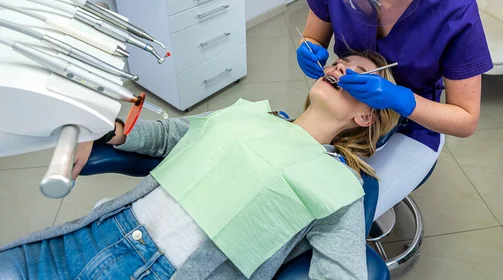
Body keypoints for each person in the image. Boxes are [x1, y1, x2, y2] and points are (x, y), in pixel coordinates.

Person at [0, 53, 399, 280]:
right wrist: (116, 131)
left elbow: (342, 276)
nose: (339, 68)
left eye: (360, 74)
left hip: (163, 271)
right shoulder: (253, 113)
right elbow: (174, 135)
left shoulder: (339, 184)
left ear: (367, 116)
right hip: (102, 230)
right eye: (339, 61)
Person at [296, 0, 493, 218]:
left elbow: (465, 120)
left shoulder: (454, 10)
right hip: (348, 115)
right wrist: (310, 48)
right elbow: (313, 38)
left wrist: (400, 99)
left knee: (341, 214)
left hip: (415, 127)